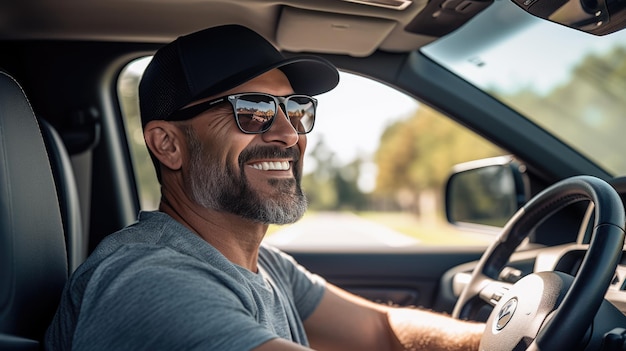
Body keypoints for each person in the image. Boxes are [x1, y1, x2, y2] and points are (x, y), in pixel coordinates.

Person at [46, 24, 485, 350]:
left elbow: (381, 331)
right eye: (251, 110)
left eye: (296, 110)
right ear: (168, 145)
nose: (289, 134)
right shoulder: (148, 281)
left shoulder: (265, 265)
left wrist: (495, 341)